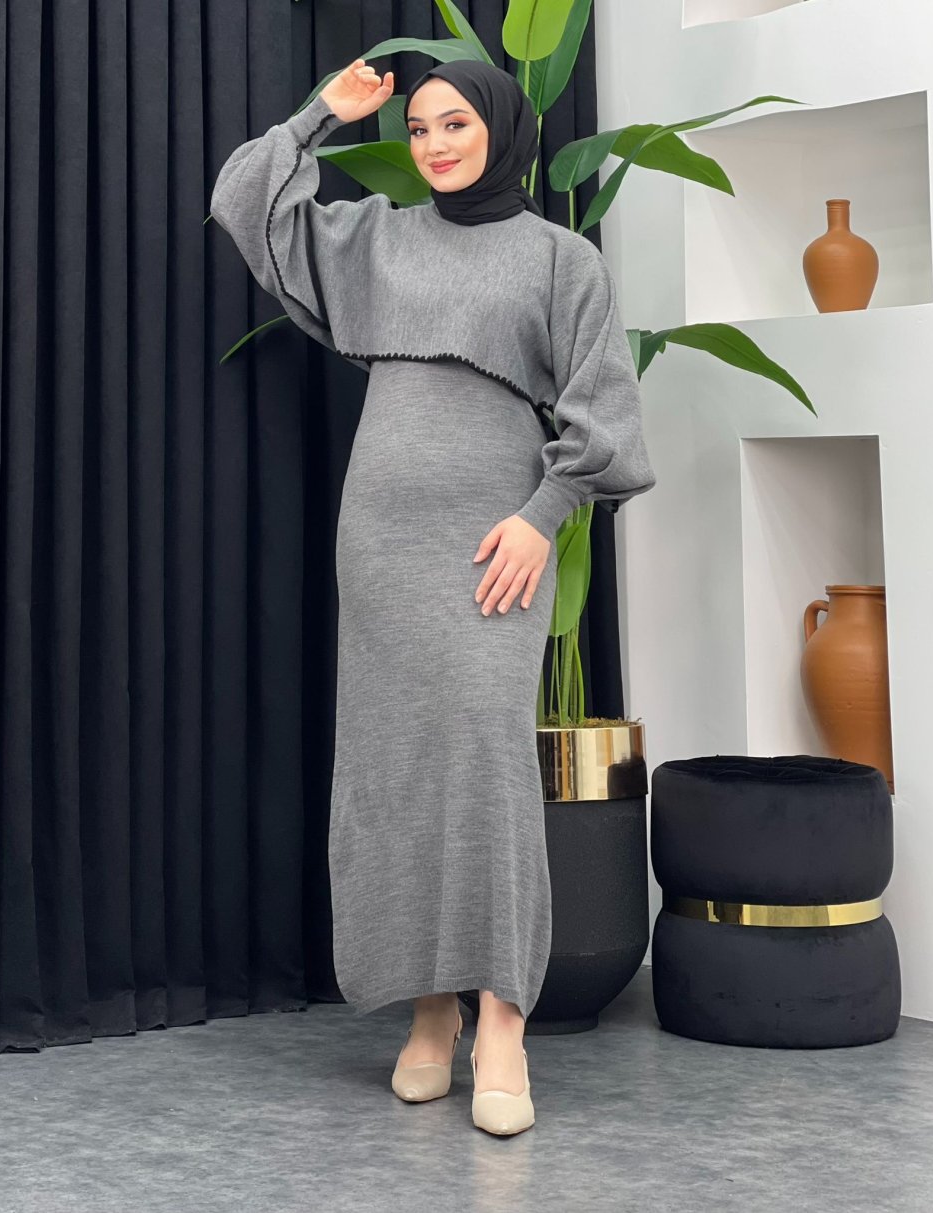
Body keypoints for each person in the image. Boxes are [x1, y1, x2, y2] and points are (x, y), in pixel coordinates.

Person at [210, 55, 656, 1136]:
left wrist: (542, 516)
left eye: (454, 124)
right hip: (379, 541)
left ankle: (501, 1018)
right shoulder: (381, 239)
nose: (434, 145)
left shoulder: (560, 259)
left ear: (499, 127)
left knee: (486, 769)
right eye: (417, 130)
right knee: (396, 765)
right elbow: (243, 201)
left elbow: (605, 417)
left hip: (494, 545)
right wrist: (322, 115)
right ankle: (429, 1009)